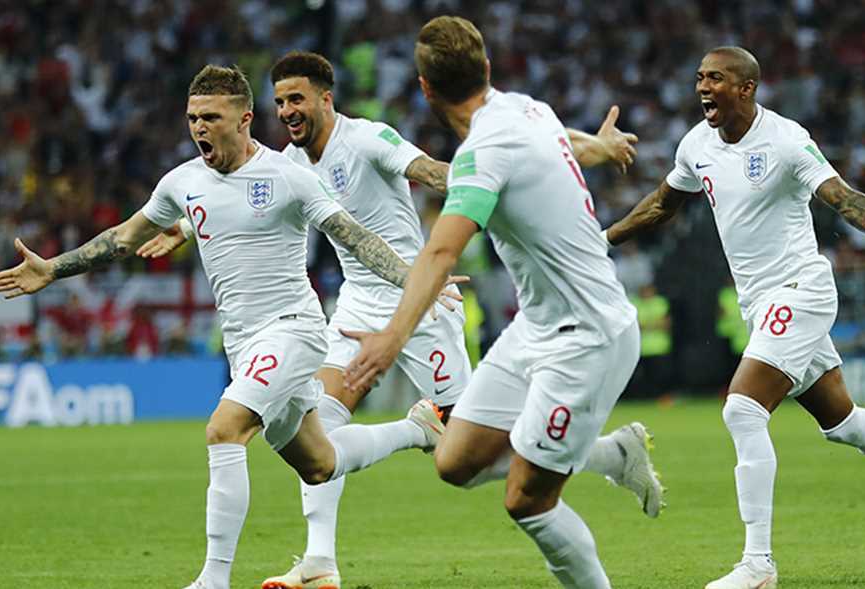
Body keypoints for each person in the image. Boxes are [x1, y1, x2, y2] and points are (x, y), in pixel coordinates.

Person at [137, 52, 659, 589]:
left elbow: (435, 173)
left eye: (297, 99)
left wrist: (516, 169)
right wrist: (184, 224)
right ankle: (320, 561)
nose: (287, 111)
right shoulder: (288, 164)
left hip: (420, 301)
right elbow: (243, 198)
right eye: (280, 102)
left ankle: (607, 454)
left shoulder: (368, 139)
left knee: (466, 451)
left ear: (324, 98)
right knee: (325, 424)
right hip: (357, 306)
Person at [0, 64, 465, 589]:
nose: (199, 128)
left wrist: (415, 276)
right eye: (193, 118)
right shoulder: (182, 182)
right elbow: (124, 238)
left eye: (211, 117)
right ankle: (418, 429)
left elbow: (352, 236)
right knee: (319, 463)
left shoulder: (287, 175)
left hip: (293, 330)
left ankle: (212, 580)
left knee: (224, 428)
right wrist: (53, 269)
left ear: (244, 119)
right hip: (243, 343)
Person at [604, 46, 865, 589]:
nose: (702, 88)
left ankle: (758, 565)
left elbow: (845, 200)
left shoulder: (784, 139)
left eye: (716, 79)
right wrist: (602, 240)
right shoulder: (696, 146)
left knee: (741, 409)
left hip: (801, 290)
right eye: (698, 78)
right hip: (763, 305)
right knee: (845, 426)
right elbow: (664, 203)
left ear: (747, 88)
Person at [342, 16, 662, 589]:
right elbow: (567, 142)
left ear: (425, 89)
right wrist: (603, 146)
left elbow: (441, 251)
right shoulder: (527, 108)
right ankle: (615, 456)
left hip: (588, 337)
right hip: (536, 328)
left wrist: (390, 338)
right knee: (455, 462)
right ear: (487, 69)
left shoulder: (479, 154)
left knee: (528, 500)